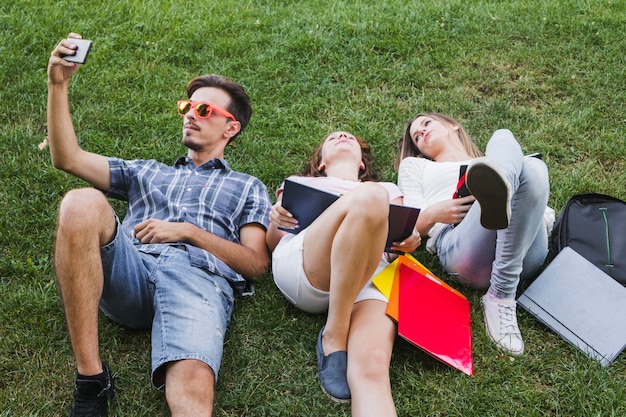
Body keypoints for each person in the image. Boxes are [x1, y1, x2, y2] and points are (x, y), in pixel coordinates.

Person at [47, 33, 271, 417]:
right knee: (79, 202)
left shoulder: (247, 186)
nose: (189, 114)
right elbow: (67, 158)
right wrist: (57, 84)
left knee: (192, 395)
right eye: (188, 106)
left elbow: (256, 264)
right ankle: (91, 378)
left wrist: (189, 232)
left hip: (198, 280)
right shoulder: (147, 171)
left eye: (204, 110)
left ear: (230, 128)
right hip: (132, 266)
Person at [266, 131, 421, 416]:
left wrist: (410, 239)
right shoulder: (303, 183)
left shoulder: (388, 188)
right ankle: (334, 335)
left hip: (371, 271)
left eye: (349, 137)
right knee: (372, 196)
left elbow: (394, 246)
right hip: (308, 265)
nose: (341, 136)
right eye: (332, 138)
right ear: (321, 163)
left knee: (373, 366)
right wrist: (276, 219)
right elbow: (274, 241)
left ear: (362, 164)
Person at [395, 112, 551, 356]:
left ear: (453, 125)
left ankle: (502, 192)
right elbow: (412, 222)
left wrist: (522, 214)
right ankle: (501, 294)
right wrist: (436, 212)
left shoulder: (497, 159)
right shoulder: (416, 166)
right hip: (463, 244)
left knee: (517, 152)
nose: (423, 133)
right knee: (517, 170)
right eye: (417, 137)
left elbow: (547, 216)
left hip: (525, 249)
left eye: (427, 123)